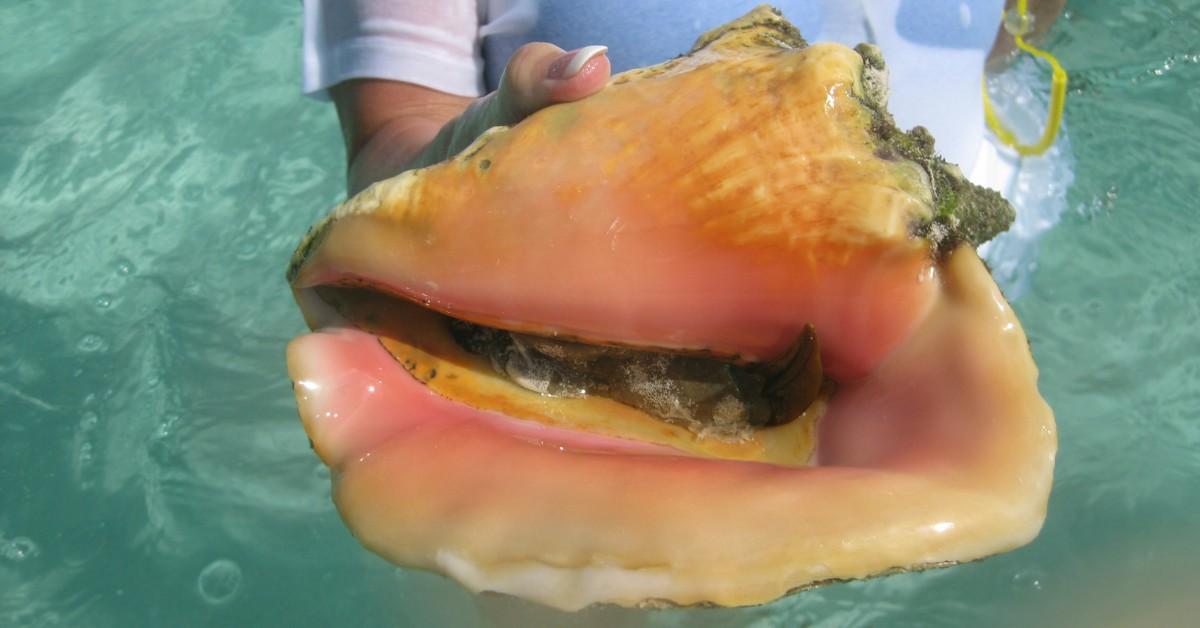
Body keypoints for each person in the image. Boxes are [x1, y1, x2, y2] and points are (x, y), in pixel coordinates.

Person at [302, 0, 1065, 197]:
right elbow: (391, 142)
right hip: (606, 356)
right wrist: (478, 150)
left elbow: (1004, 38)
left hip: (985, 306)